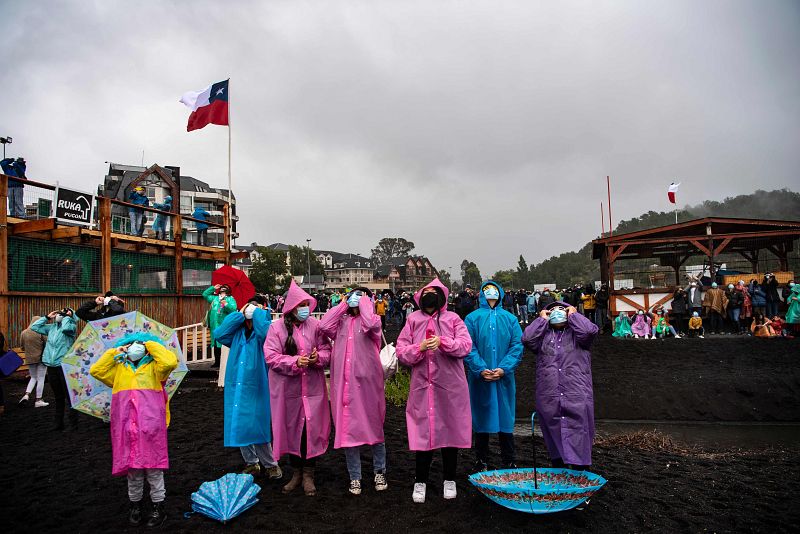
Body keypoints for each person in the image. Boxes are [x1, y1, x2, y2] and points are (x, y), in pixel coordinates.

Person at [396, 279, 472, 504]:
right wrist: (418, 348)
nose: (429, 294)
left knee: (450, 432)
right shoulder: (412, 319)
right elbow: (401, 351)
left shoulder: (453, 318)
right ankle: (420, 481)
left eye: (433, 291)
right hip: (422, 386)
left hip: (450, 387)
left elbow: (465, 345)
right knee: (423, 434)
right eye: (425, 291)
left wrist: (444, 342)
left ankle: (450, 479)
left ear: (442, 295)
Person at [90, 335, 178, 528]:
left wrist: (151, 344)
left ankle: (158, 506)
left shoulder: (156, 369)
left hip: (151, 428)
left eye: (139, 344)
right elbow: (96, 370)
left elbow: (170, 361)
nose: (134, 347)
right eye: (131, 344)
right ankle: (135, 506)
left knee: (154, 469)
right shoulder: (119, 369)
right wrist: (115, 351)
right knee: (133, 471)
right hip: (126, 429)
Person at [264, 281, 332, 497]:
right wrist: (294, 362)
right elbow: (271, 356)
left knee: (310, 431)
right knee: (291, 430)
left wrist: (316, 358)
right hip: (288, 392)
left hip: (312, 390)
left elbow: (327, 351)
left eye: (306, 304)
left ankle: (309, 474)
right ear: (291, 306)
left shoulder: (315, 326)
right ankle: (296, 473)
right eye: (300, 304)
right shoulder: (276, 328)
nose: (305, 308)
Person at [320, 287, 388, 496]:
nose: (355, 299)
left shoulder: (372, 321)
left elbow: (370, 323)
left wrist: (366, 303)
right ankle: (355, 477)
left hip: (368, 384)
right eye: (353, 295)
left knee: (374, 426)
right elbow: (323, 325)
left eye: (360, 296)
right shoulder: (341, 322)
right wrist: (342, 304)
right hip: (345, 384)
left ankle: (379, 471)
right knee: (348, 429)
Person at [522, 301, 599, 471]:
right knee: (555, 440)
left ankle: (581, 480)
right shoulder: (543, 336)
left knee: (580, 435)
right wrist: (541, 320)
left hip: (576, 394)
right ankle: (559, 482)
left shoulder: (579, 336)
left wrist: (574, 315)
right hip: (550, 396)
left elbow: (590, 331)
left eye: (561, 309)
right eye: (552, 311)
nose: (557, 312)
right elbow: (527, 339)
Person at [213, 295, 282, 479]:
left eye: (256, 306)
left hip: (258, 383)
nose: (252, 308)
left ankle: (271, 464)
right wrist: (239, 314)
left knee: (258, 424)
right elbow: (219, 334)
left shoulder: (266, 328)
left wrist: (259, 313)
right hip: (237, 383)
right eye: (249, 305)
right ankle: (252, 463)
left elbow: (264, 334)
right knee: (240, 423)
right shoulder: (237, 332)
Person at [464, 281, 523, 471]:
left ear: (501, 294)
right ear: (481, 294)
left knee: (505, 417)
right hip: (480, 378)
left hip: (504, 378)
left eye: (494, 290)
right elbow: (468, 346)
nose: (491, 293)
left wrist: (504, 368)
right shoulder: (472, 319)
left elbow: (517, 346)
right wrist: (480, 368)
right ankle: (481, 460)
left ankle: (509, 459)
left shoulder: (510, 319)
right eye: (487, 290)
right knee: (481, 417)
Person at [31, 308, 77, 430]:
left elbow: (66, 328)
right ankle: (58, 423)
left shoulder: (71, 328)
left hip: (63, 366)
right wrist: (47, 317)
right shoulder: (51, 328)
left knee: (69, 395)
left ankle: (74, 422)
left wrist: (68, 317)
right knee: (58, 396)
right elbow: (34, 327)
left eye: (63, 313)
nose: (59, 315)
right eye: (59, 313)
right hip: (51, 366)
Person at [203, 284, 237, 368]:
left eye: (224, 289)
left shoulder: (230, 299)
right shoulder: (215, 298)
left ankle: (225, 362)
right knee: (215, 344)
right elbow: (205, 294)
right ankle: (217, 362)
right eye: (221, 289)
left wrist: (225, 303)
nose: (222, 291)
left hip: (224, 326)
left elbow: (233, 309)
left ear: (228, 291)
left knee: (223, 343)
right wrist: (213, 288)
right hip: (214, 325)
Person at [18, 316, 49, 407]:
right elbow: (47, 344)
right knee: (41, 379)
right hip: (41, 359)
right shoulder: (40, 331)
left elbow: (22, 347)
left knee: (33, 377)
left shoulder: (24, 332)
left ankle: (26, 395)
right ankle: (38, 400)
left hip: (29, 359)